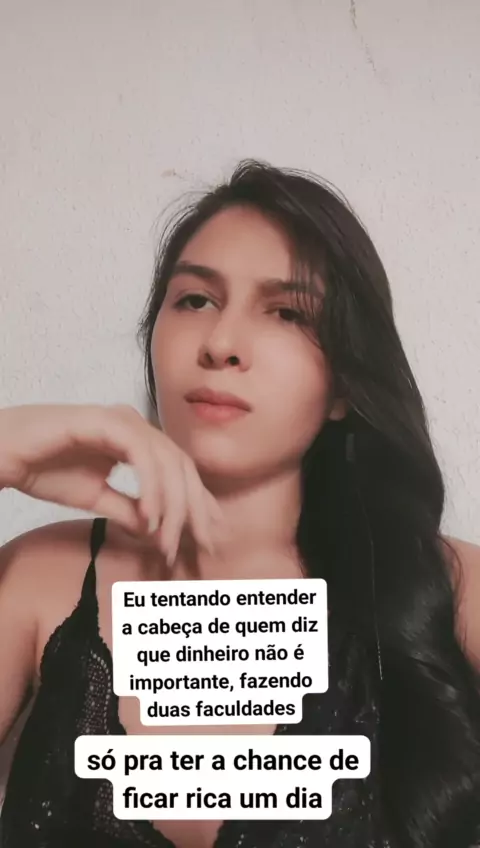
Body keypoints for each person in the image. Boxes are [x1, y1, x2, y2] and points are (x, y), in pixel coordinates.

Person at [0, 159, 479, 848]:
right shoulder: (38, 578)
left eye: (288, 312)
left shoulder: (449, 589)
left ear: (344, 386)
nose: (221, 344)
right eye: (195, 300)